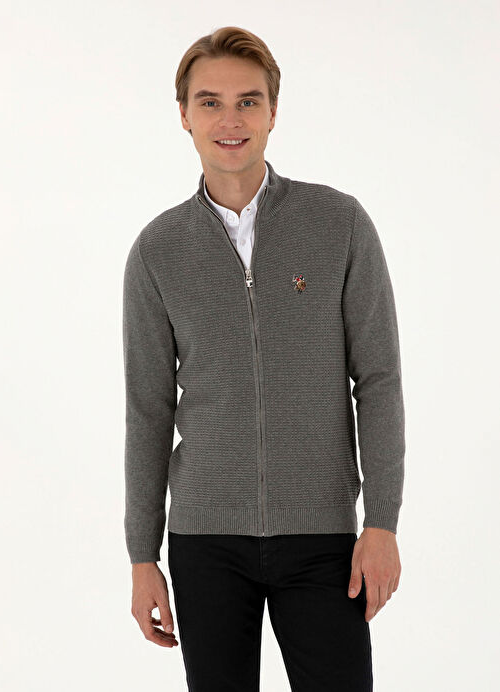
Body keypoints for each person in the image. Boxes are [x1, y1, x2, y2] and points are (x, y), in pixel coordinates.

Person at [122, 25, 405, 692]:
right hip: (204, 544)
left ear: (273, 111)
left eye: (248, 101)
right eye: (210, 102)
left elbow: (379, 380)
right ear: (184, 115)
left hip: (323, 538)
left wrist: (382, 523)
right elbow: (147, 409)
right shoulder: (157, 251)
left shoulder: (339, 224)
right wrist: (142, 555)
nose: (231, 120)